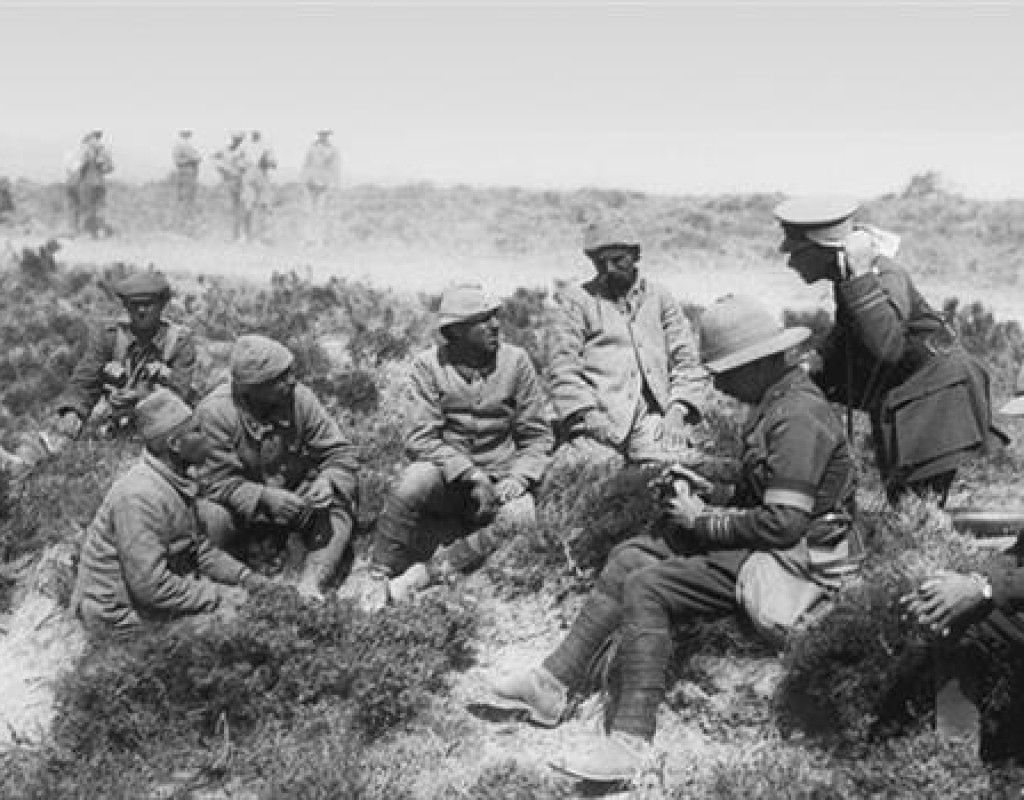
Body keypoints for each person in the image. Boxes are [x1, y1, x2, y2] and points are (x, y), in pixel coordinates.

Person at [486, 295, 861, 782]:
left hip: (799, 562)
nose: (720, 385)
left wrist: (701, 518)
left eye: (725, 372)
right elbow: (759, 484)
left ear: (756, 365)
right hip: (775, 545)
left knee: (648, 585)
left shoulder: (796, 417)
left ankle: (630, 742)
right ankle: (552, 684)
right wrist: (703, 474)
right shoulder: (777, 402)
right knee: (627, 559)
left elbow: (785, 522)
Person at [774, 197, 995, 506]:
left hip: (937, 394)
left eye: (797, 252)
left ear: (826, 249)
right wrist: (814, 363)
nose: (791, 263)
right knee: (906, 501)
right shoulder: (849, 279)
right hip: (912, 392)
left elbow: (887, 346)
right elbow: (847, 334)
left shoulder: (879, 276)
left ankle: (926, 550)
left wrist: (862, 278)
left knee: (917, 506)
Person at [356, 283, 553, 606]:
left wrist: (518, 478)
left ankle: (423, 576)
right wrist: (470, 474)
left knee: (520, 517)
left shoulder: (516, 362)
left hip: (502, 478)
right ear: (456, 332)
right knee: (412, 481)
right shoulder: (428, 366)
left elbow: (537, 435)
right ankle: (378, 573)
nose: (495, 325)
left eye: (495, 316)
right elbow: (421, 438)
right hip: (447, 478)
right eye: (482, 320)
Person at [70, 389, 267, 633]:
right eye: (196, 431)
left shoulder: (173, 480)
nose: (205, 438)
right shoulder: (140, 497)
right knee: (230, 626)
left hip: (143, 596)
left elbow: (198, 549)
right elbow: (150, 588)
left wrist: (245, 578)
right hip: (115, 612)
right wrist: (217, 595)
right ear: (174, 444)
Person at [195, 334, 359, 600]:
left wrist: (327, 482)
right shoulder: (215, 412)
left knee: (338, 509)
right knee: (209, 518)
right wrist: (263, 497)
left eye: (289, 372)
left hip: (297, 500)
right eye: (279, 379)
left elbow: (340, 453)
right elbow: (214, 481)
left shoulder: (300, 399)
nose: (291, 381)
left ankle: (313, 584)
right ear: (252, 388)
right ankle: (229, 582)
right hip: (241, 511)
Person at [0, 270, 197, 477]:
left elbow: (179, 393)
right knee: (64, 429)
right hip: (114, 414)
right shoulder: (109, 337)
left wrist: (140, 397)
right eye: (134, 304)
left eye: (148, 304)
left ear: (162, 305)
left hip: (162, 417)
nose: (141, 310)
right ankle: (20, 465)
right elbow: (85, 381)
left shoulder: (179, 342)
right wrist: (74, 411)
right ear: (126, 306)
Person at [547, 217, 704, 467]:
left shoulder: (660, 298)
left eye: (617, 260)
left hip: (653, 417)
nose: (609, 269)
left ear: (636, 256)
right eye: (600, 263)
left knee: (674, 470)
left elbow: (687, 361)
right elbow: (563, 368)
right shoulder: (577, 301)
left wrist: (677, 411)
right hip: (598, 418)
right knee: (594, 478)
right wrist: (587, 415)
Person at [65, 130, 114, 238]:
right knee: (94, 208)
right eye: (95, 138)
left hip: (86, 184)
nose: (96, 140)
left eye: (97, 138)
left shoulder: (86, 150)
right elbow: (109, 167)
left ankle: (88, 232)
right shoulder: (99, 151)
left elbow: (79, 167)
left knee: (87, 208)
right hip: (95, 183)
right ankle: (93, 231)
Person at [299, 129, 341, 246]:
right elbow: (306, 164)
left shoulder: (332, 150)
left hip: (324, 184)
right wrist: (303, 180)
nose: (323, 136)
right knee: (308, 212)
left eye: (325, 134)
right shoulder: (312, 148)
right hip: (310, 182)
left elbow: (335, 168)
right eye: (321, 134)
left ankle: (320, 238)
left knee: (321, 212)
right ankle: (308, 238)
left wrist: (334, 184)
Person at [212, 131, 253, 243]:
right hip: (231, 182)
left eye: (239, 139)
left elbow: (248, 165)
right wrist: (224, 171)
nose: (237, 141)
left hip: (241, 181)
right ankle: (235, 235)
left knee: (244, 209)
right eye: (236, 139)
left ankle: (243, 235)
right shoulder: (226, 151)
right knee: (234, 209)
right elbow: (216, 160)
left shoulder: (243, 152)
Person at [246, 130, 277, 241]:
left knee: (264, 206)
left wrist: (267, 162)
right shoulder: (245, 146)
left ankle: (264, 235)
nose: (255, 134)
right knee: (249, 206)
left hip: (263, 178)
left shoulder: (266, 147)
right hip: (249, 178)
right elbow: (238, 160)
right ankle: (249, 235)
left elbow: (274, 163)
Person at [171, 129, 202, 230]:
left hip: (185, 172)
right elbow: (196, 158)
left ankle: (183, 223)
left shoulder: (180, 145)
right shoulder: (184, 145)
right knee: (187, 199)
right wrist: (192, 160)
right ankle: (185, 224)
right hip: (187, 172)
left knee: (184, 198)